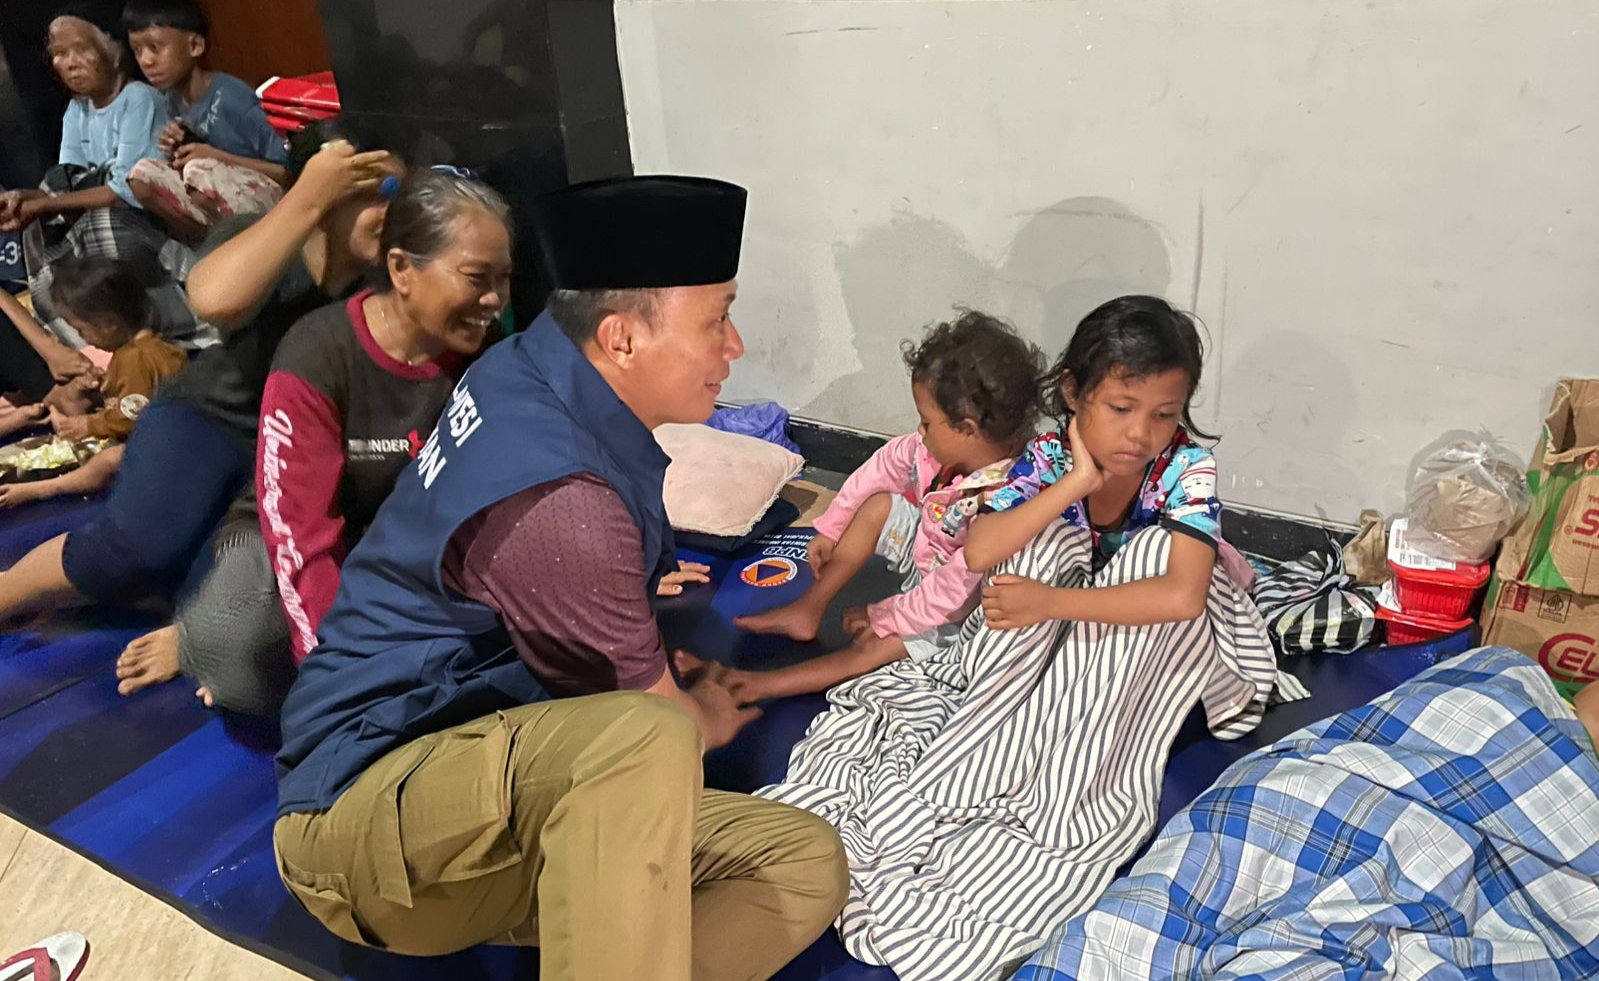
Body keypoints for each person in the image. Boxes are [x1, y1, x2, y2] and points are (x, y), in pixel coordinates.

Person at [272, 176, 847, 981]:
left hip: (482, 786)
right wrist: (706, 712)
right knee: (653, 735)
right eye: (716, 319)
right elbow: (662, 725)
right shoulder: (563, 505)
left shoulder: (528, 365)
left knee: (804, 862)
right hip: (363, 823)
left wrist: (629, 597)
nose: (735, 346)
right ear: (621, 339)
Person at [114, 169, 511, 714]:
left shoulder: (490, 353)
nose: (494, 300)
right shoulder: (318, 353)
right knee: (238, 662)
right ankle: (198, 632)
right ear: (402, 269)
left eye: (504, 279)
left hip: (393, 541)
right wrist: (339, 674)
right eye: (476, 277)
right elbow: (301, 535)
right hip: (291, 534)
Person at [0, 119, 401, 627]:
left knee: (210, 589)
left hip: (291, 447)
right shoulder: (260, 238)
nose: (393, 213)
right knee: (131, 552)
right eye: (370, 192)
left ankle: (173, 623)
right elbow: (215, 300)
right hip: (209, 417)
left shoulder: (398, 275)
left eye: (397, 192)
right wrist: (308, 196)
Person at [720, 311, 1044, 700]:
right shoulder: (935, 450)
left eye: (927, 422)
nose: (919, 431)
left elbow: (952, 593)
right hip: (930, 552)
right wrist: (831, 528)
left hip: (958, 611)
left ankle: (758, 686)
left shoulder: (1004, 499)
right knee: (878, 505)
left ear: (967, 429)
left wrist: (887, 616)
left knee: (876, 645)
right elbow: (884, 466)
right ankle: (806, 610)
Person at [965, 294, 1234, 625]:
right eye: (1120, 409)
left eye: (1164, 414)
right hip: (1061, 631)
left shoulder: (1186, 467)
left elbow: (1184, 597)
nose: (1139, 433)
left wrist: (1050, 602)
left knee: (1157, 548)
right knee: (1036, 542)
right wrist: (1078, 482)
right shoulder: (1050, 458)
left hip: (1147, 639)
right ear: (1072, 392)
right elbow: (979, 553)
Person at [0, 4, 205, 353]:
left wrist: (45, 203)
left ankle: (165, 327)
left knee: (103, 226)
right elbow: (64, 182)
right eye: (60, 54)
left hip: (149, 222)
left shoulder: (138, 99)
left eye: (81, 50)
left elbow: (122, 192)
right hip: (99, 216)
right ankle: (88, 346)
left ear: (114, 52)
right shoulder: (76, 110)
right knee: (37, 233)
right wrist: (24, 199)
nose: (70, 63)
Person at [123, 0, 289, 241]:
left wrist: (214, 157)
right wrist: (177, 148)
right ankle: (210, 245)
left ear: (195, 45)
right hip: (219, 198)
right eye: (137, 50)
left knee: (199, 173)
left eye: (155, 48)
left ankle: (257, 247)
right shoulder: (172, 99)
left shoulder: (231, 97)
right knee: (141, 176)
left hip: (273, 202)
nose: (145, 61)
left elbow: (287, 172)